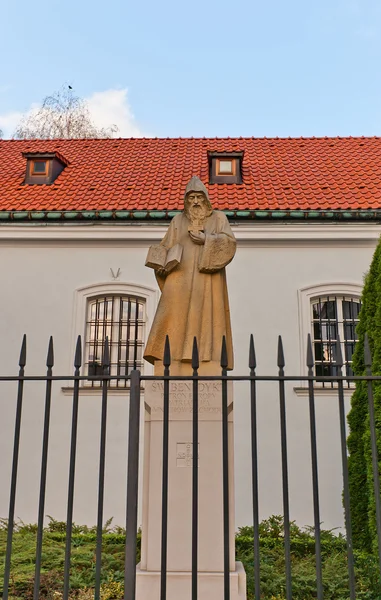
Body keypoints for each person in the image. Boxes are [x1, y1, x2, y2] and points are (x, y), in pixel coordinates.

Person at [143, 176, 236, 373]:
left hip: (206, 281)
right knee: (172, 316)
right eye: (191, 197)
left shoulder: (219, 218)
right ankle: (171, 357)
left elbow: (229, 244)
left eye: (199, 197)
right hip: (180, 278)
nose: (195, 202)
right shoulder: (178, 221)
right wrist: (161, 263)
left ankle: (205, 359)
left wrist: (207, 240)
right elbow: (166, 246)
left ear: (206, 199)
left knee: (206, 318)